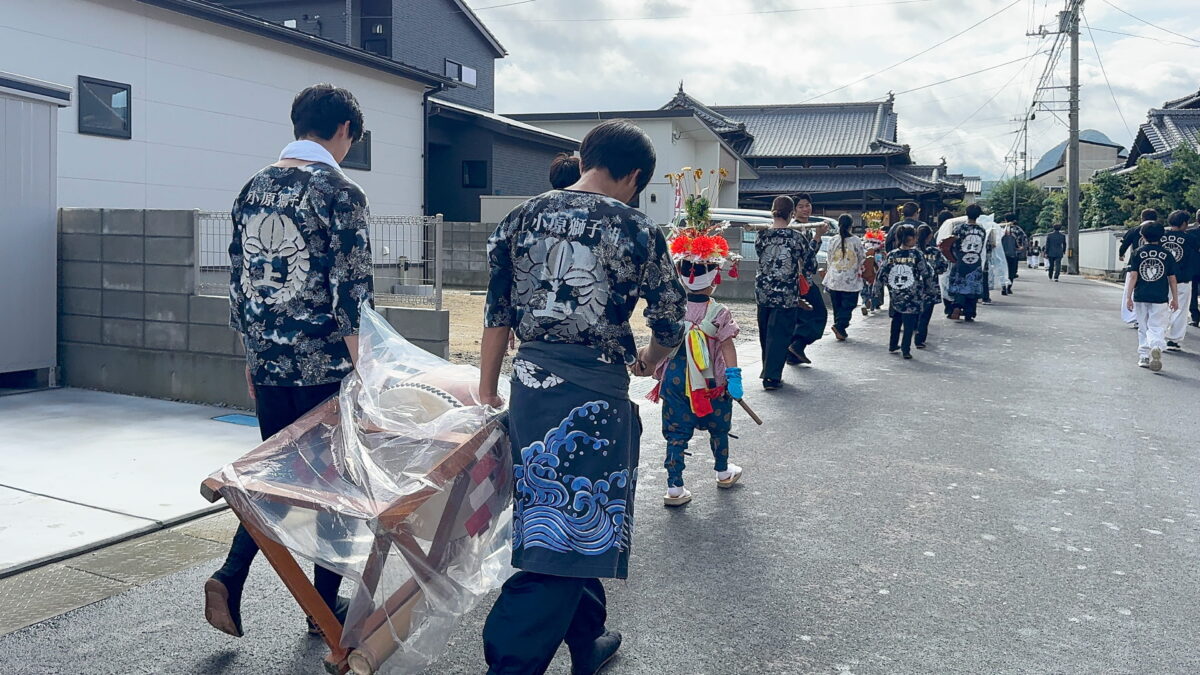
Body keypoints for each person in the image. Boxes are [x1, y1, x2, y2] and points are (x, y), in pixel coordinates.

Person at [478, 120, 684, 675]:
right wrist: (648, 360)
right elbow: (671, 318)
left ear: (586, 156)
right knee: (567, 534)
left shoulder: (520, 217)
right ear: (634, 176)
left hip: (530, 385)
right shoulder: (635, 227)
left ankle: (587, 639)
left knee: (570, 516)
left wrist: (488, 391)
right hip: (593, 394)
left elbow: (496, 314)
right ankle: (509, 664)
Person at [205, 84, 373, 639]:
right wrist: (366, 372)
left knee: (276, 478)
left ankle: (232, 577)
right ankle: (320, 607)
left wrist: (251, 357)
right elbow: (351, 293)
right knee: (336, 488)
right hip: (325, 367)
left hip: (269, 362)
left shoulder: (252, 187)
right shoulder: (340, 191)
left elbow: (240, 279)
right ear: (344, 130)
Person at [650, 230, 743, 507]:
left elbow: (660, 341)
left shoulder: (673, 309)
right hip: (711, 381)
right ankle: (723, 472)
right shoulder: (720, 312)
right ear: (714, 278)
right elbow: (727, 347)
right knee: (719, 427)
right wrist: (734, 377)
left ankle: (674, 487)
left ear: (681, 275)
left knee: (675, 432)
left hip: (676, 378)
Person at [756, 195, 808, 390]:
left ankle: (767, 369)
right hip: (785, 293)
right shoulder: (797, 238)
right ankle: (771, 376)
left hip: (763, 290)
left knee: (765, 333)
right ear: (792, 213)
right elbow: (810, 262)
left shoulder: (761, 235)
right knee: (779, 335)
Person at [1124, 221, 1179, 372]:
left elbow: (1133, 276)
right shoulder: (1167, 254)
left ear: (1142, 236)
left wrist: (1128, 297)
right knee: (1157, 325)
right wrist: (1175, 298)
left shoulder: (1137, 253)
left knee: (1143, 326)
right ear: (1162, 236)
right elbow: (1172, 278)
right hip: (1160, 297)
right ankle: (1156, 345)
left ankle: (1144, 356)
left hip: (1141, 295)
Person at [787, 193, 829, 364]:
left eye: (808, 205)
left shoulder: (806, 227)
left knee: (802, 317)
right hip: (801, 281)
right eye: (801, 206)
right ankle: (797, 346)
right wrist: (818, 236)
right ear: (793, 210)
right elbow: (807, 257)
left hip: (802, 280)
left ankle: (793, 353)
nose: (805, 209)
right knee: (818, 314)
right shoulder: (796, 229)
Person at [879, 224, 928, 359]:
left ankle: (893, 344)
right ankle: (906, 349)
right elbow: (925, 272)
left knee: (896, 320)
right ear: (911, 238)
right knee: (909, 324)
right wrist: (928, 289)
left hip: (896, 294)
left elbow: (882, 273)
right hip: (912, 295)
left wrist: (877, 289)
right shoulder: (917, 254)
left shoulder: (892, 254)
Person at [1161, 210, 1200, 351]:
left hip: (1163, 278)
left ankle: (1159, 334)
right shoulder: (1190, 239)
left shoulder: (1161, 237)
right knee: (1180, 309)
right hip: (1182, 278)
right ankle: (1173, 339)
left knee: (1162, 308)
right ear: (1184, 223)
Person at [822, 214, 866, 340]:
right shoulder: (856, 240)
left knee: (837, 305)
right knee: (849, 305)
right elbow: (861, 257)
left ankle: (839, 329)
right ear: (851, 225)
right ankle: (840, 326)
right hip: (850, 279)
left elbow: (829, 258)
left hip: (834, 278)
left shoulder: (833, 240)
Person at [947, 204, 988, 322]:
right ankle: (970, 313)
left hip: (961, 260)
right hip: (976, 261)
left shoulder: (959, 229)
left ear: (966, 213)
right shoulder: (982, 230)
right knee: (973, 286)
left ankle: (957, 306)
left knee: (959, 285)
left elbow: (952, 245)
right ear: (978, 215)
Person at [915, 224, 948, 349]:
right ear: (930, 237)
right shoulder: (935, 252)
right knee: (925, 315)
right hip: (930, 287)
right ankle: (920, 339)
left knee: (914, 313)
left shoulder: (913, 251)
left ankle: (909, 335)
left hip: (914, 287)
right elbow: (943, 266)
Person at [1001, 224, 1019, 295]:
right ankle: (1007, 288)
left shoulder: (1001, 238)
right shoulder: (1012, 237)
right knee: (1010, 273)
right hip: (1010, 257)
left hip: (1005, 257)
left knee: (1005, 273)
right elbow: (1016, 247)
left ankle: (1005, 288)